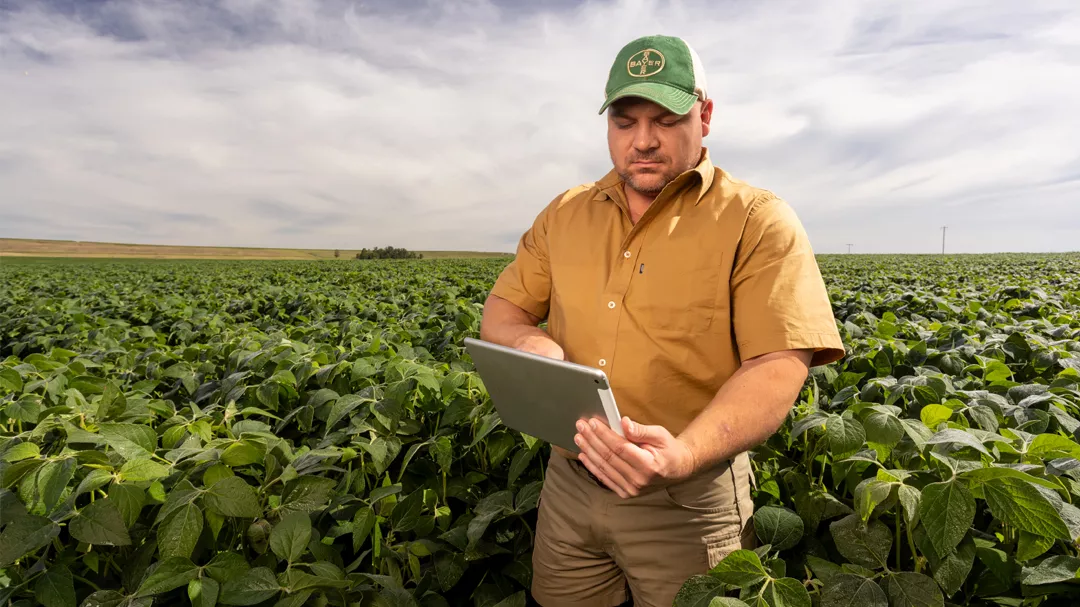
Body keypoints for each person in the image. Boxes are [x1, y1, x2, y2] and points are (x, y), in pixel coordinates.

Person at [478, 34, 845, 607]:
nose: (643, 140)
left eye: (666, 119)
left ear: (705, 116)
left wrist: (683, 455)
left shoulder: (756, 220)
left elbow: (777, 363)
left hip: (690, 504)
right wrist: (535, 345)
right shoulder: (565, 213)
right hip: (570, 487)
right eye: (625, 122)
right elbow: (503, 311)